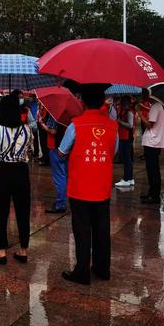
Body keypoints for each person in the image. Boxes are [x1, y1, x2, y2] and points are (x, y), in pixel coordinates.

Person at [59, 84, 118, 285]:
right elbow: (113, 151)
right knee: (102, 228)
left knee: (82, 229)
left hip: (80, 187)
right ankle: (103, 269)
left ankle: (82, 271)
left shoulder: (75, 125)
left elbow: (61, 152)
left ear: (82, 102)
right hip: (102, 186)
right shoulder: (112, 126)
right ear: (103, 102)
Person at [0, 96, 33, 265]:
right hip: (21, 172)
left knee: (1, 212)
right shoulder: (27, 129)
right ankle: (23, 250)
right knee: (23, 212)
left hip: (4, 172)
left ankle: (1, 251)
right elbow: (31, 150)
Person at [136, 89, 164, 204]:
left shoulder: (155, 107)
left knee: (152, 170)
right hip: (155, 142)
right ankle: (152, 193)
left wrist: (138, 112)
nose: (143, 95)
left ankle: (154, 196)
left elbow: (149, 124)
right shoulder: (157, 106)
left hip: (151, 143)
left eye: (144, 93)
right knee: (153, 170)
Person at [40, 113, 68, 213]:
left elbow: (53, 131)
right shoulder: (69, 112)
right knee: (64, 174)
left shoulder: (55, 113)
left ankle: (60, 204)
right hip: (66, 147)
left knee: (59, 176)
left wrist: (42, 125)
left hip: (56, 147)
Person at [115, 96, 135, 188]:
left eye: (123, 101)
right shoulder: (123, 111)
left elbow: (130, 125)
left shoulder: (129, 112)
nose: (122, 103)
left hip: (126, 138)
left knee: (126, 159)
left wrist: (119, 122)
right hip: (123, 137)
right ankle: (130, 178)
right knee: (127, 158)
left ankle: (126, 179)